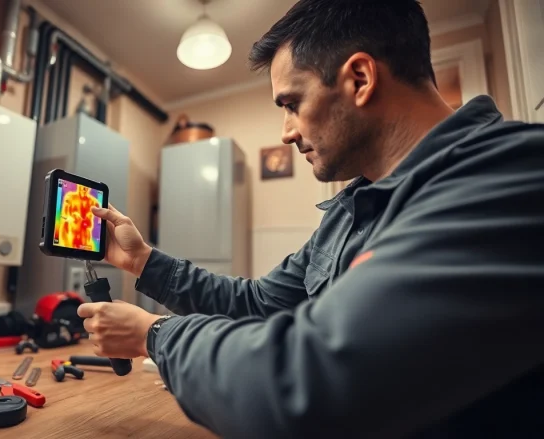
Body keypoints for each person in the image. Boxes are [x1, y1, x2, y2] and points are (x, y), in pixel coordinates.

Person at [77, 0, 544, 437]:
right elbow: (258, 303)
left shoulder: (512, 172)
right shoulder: (352, 211)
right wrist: (144, 262)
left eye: (291, 103)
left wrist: (155, 334)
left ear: (360, 78)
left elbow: (309, 380)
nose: (286, 132)